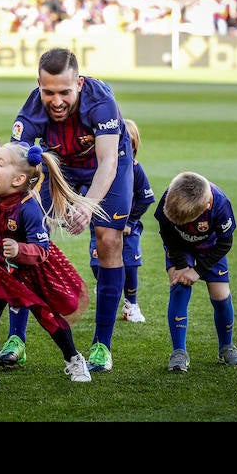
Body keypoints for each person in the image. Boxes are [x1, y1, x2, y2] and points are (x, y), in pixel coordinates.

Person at [0, 47, 134, 373]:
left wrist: (86, 207)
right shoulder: (32, 111)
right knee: (22, 235)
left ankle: (102, 345)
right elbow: (18, 166)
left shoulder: (101, 102)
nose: (56, 100)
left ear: (79, 83)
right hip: (60, 167)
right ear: (39, 85)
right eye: (48, 92)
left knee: (109, 240)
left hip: (106, 167)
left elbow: (108, 161)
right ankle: (16, 339)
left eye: (64, 92)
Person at [0, 142, 102, 393]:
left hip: (30, 271)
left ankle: (74, 359)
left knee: (49, 318)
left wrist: (21, 251)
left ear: (19, 179)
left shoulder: (30, 209)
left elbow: (41, 249)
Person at [154, 171, 237, 372]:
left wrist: (197, 271)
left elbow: (225, 243)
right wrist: (180, 266)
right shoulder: (168, 199)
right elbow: (167, 235)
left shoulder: (220, 204)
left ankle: (226, 347)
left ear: (206, 207)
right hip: (179, 248)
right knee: (179, 286)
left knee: (221, 295)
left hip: (212, 248)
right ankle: (179, 352)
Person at [87, 118, 155, 323]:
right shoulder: (96, 169)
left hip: (127, 230)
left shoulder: (134, 168)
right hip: (100, 227)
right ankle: (105, 284)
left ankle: (131, 304)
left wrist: (130, 222)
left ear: (132, 146)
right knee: (97, 263)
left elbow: (145, 198)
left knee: (130, 265)